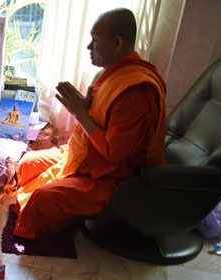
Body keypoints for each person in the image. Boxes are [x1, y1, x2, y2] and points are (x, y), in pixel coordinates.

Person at [12, 8, 166, 240]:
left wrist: (81, 112)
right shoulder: (111, 75)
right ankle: (70, 210)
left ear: (116, 43)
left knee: (41, 199)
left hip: (112, 177)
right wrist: (85, 107)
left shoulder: (136, 91)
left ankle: (72, 216)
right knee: (25, 164)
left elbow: (114, 154)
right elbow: (96, 122)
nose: (88, 48)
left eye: (94, 40)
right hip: (85, 157)